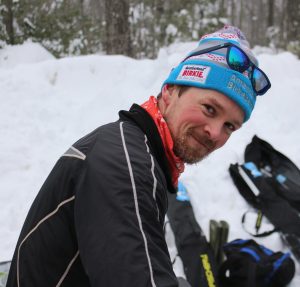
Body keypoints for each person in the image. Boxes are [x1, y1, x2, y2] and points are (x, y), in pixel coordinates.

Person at [7, 25, 271, 287]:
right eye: (210, 108)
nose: (215, 133)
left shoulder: (133, 147)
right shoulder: (126, 166)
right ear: (170, 92)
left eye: (229, 126)